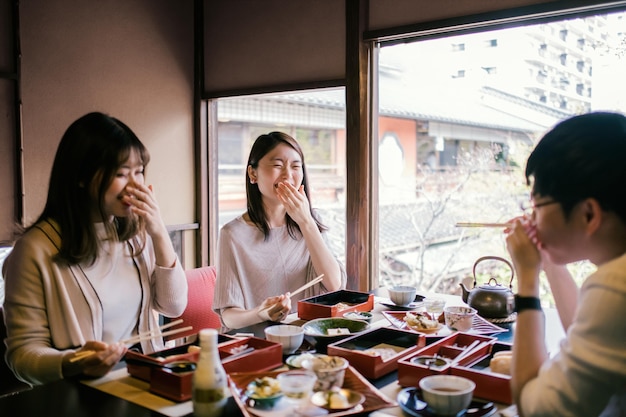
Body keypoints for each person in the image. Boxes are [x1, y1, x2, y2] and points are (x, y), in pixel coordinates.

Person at [2, 112, 188, 386]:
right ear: (81, 177)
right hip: (84, 398)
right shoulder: (34, 251)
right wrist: (74, 362)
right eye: (121, 174)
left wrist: (159, 232)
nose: (135, 185)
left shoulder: (136, 235)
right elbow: (22, 356)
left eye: (139, 172)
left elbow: (173, 306)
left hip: (146, 387)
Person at [505, 112, 626, 416]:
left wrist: (528, 280)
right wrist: (547, 261)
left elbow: (534, 408)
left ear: (588, 214)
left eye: (537, 205)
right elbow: (586, 335)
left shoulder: (616, 286)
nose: (532, 217)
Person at [213, 131, 346, 330]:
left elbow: (334, 284)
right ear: (253, 173)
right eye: (277, 165)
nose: (288, 175)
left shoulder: (311, 221)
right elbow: (229, 317)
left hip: (308, 336)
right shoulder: (232, 235)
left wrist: (306, 222)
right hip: (257, 341)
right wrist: (261, 312)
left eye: (295, 166)